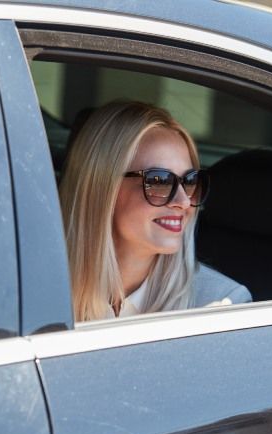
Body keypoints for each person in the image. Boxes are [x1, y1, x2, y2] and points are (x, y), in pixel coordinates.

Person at [59, 101, 250, 321]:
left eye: (189, 181)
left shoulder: (219, 305)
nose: (184, 202)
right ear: (101, 187)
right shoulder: (33, 288)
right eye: (159, 180)